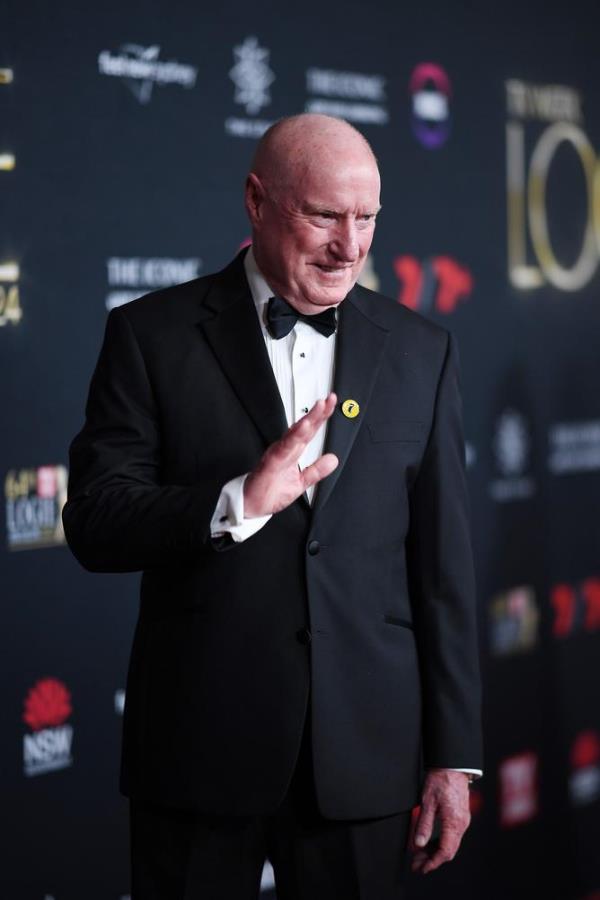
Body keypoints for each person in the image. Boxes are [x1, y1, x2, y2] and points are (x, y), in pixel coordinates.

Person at [63, 113, 482, 899]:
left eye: (367, 219)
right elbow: (94, 522)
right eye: (324, 216)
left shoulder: (423, 350)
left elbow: (443, 571)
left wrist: (453, 757)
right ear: (257, 201)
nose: (350, 247)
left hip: (365, 756)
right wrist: (237, 502)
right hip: (199, 749)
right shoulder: (150, 336)